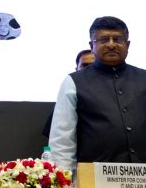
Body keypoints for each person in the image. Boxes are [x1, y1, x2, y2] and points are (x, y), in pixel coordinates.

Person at [50, 16, 146, 170]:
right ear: (92, 45)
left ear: (127, 44)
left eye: (117, 39)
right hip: (94, 179)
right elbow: (62, 142)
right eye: (103, 40)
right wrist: (66, 181)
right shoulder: (73, 82)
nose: (111, 45)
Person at [42, 49, 95, 137]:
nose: (88, 70)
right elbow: (53, 135)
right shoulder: (68, 94)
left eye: (93, 66)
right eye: (85, 65)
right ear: (77, 69)